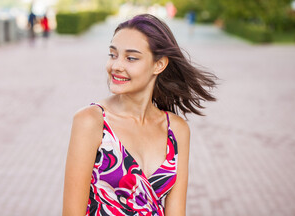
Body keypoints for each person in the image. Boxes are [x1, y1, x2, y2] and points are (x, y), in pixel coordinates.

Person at [62, 14, 217, 216]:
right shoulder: (91, 122)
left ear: (159, 65)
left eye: (131, 58)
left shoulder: (176, 130)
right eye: (112, 54)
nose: (116, 66)